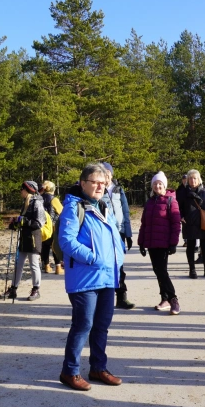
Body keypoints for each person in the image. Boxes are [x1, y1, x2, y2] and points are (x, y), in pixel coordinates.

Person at [58, 163, 125, 391]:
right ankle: (70, 371)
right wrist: (94, 258)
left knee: (101, 326)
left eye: (103, 182)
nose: (99, 186)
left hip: (107, 277)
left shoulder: (103, 206)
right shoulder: (74, 207)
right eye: (94, 182)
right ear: (83, 183)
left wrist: (119, 257)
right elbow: (66, 241)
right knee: (83, 325)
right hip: (84, 279)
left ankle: (98, 368)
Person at [138, 171, 182, 314]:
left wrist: (173, 243)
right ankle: (165, 299)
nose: (157, 186)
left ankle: (174, 299)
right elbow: (144, 223)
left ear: (165, 186)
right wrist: (141, 243)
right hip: (151, 243)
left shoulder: (171, 201)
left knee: (162, 271)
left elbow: (176, 224)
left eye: (160, 183)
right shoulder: (150, 202)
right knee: (158, 271)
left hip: (164, 243)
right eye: (155, 184)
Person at [100, 162, 136, 309]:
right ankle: (102, 298)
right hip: (103, 233)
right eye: (103, 173)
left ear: (111, 174)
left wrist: (128, 234)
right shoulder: (97, 190)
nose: (106, 176)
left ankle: (121, 297)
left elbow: (125, 212)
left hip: (118, 233)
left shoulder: (118, 189)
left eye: (107, 173)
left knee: (119, 265)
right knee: (104, 265)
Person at [5, 181, 46, 301]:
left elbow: (39, 223)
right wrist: (15, 224)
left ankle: (36, 289)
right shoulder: (26, 202)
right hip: (23, 238)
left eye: (22, 189)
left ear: (28, 190)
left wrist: (23, 221)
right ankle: (13, 289)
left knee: (34, 265)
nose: (20, 191)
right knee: (18, 265)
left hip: (33, 238)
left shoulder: (37, 202)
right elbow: (23, 220)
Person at [181, 170, 205, 278]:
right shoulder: (183, 193)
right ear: (188, 180)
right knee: (191, 247)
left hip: (203, 222)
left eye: (195, 178)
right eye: (190, 178)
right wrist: (181, 216)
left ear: (199, 180)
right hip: (190, 222)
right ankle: (192, 270)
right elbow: (178, 206)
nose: (193, 180)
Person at [40, 181, 64, 275]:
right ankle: (58, 267)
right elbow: (61, 211)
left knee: (45, 247)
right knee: (55, 247)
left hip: (44, 227)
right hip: (53, 227)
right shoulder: (54, 199)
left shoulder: (40, 198)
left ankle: (46, 266)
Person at [176, 174, 191, 247]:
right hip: (181, 209)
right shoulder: (179, 189)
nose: (185, 180)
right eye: (183, 179)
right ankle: (186, 241)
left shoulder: (190, 188)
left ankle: (191, 242)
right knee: (184, 227)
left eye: (186, 179)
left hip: (190, 211)